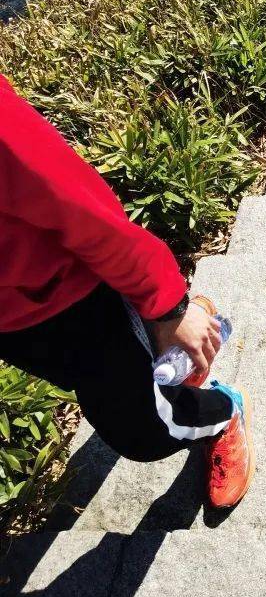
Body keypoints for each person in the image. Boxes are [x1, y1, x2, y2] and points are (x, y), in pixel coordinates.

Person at [0, 75, 253, 509]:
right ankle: (172, 358)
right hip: (12, 320)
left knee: (141, 435)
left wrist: (169, 307)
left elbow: (84, 209)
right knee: (88, 381)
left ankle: (221, 413)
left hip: (72, 297)